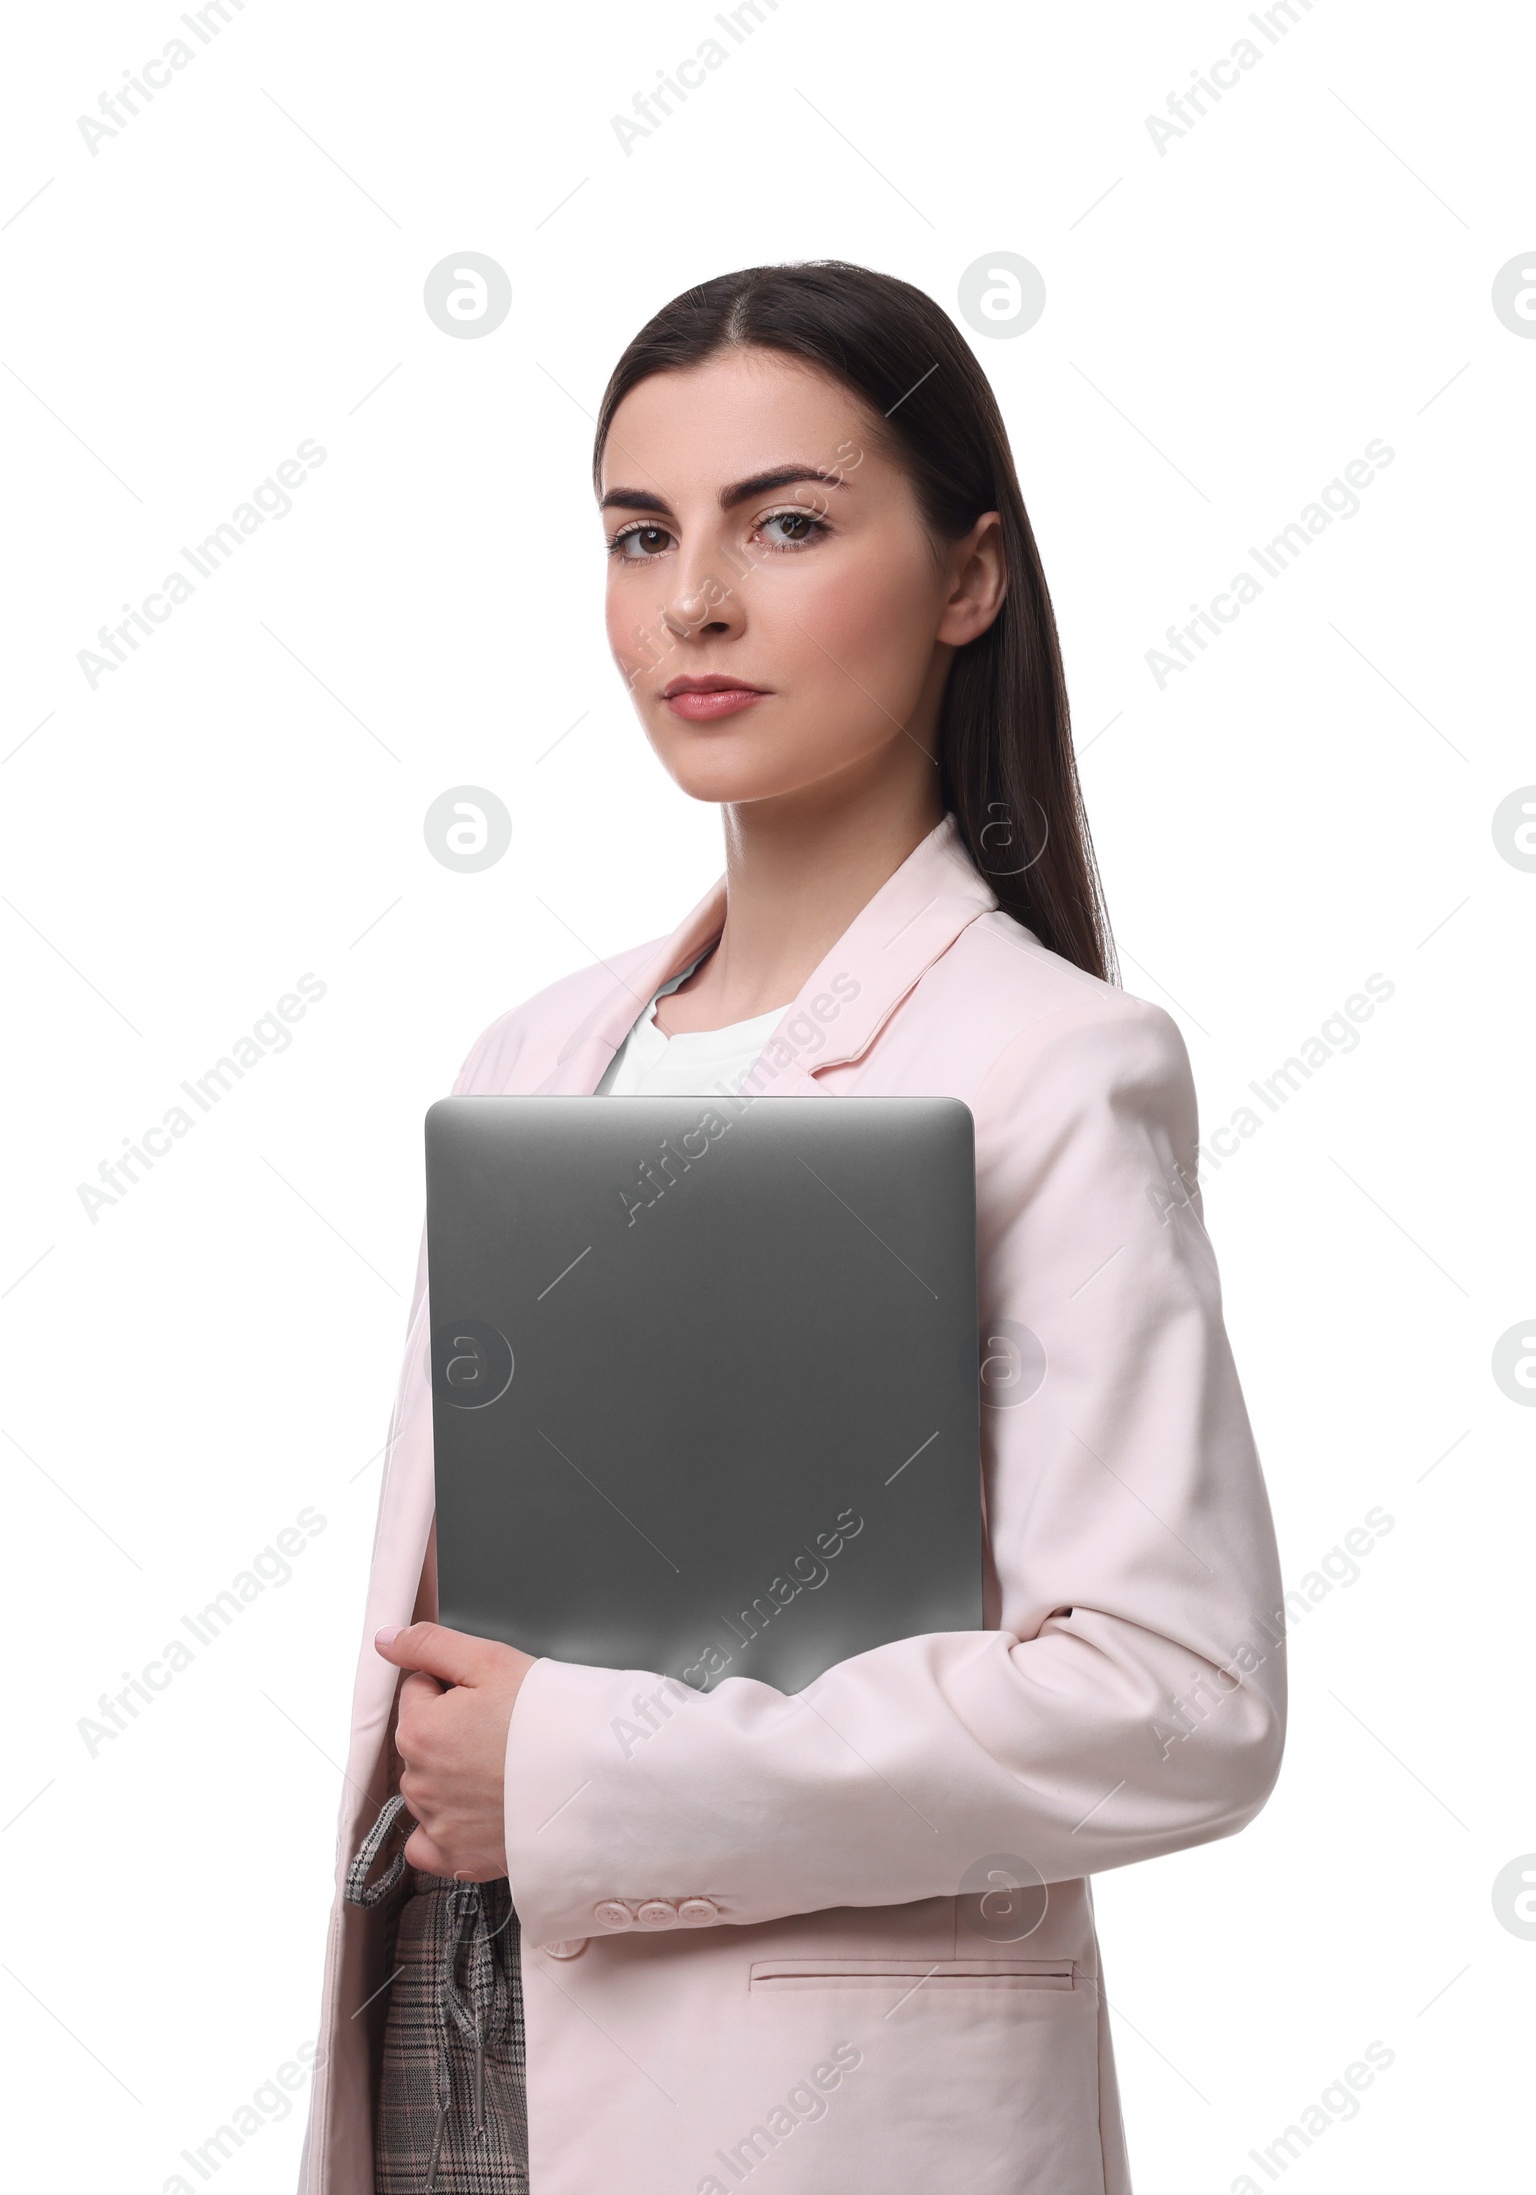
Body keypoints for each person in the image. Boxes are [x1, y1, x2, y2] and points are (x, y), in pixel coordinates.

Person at [299, 260, 1287, 2195]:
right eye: (640, 535)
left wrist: (582, 1774)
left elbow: (1176, 1704)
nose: (697, 603)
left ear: (968, 580)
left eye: (791, 524)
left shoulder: (1054, 1067)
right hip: (449, 2037)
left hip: (814, 2106)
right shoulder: (533, 1056)